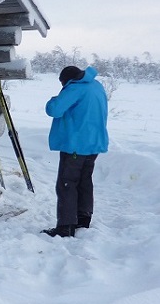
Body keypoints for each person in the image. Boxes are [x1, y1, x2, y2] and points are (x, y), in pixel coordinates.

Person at [42, 66, 109, 237]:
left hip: (76, 145)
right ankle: (83, 219)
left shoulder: (75, 88)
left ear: (67, 80)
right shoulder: (96, 86)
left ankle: (65, 226)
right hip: (94, 143)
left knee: (67, 183)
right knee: (84, 181)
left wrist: (54, 99)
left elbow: (54, 109)